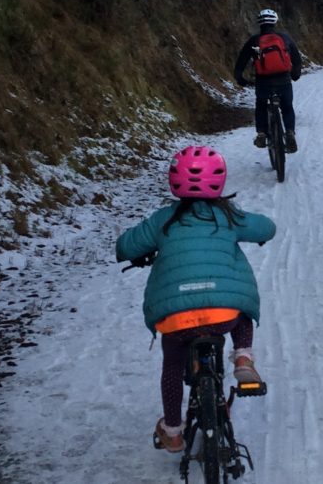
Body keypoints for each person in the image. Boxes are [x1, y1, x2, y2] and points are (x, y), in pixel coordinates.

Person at [115, 145, 276, 453]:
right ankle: (243, 357)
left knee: (173, 363)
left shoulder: (164, 220)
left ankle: (173, 431)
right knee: (241, 310)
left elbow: (125, 246)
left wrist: (139, 251)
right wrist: (259, 233)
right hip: (223, 313)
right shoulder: (228, 216)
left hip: (177, 318)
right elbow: (267, 227)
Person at [233, 8, 303, 153]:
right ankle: (290, 132)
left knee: (261, 105)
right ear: (275, 22)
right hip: (283, 81)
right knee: (287, 107)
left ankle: (262, 134)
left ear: (260, 23)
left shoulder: (254, 41)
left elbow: (241, 62)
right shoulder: (284, 38)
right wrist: (295, 74)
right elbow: (296, 59)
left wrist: (241, 79)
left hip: (263, 83)